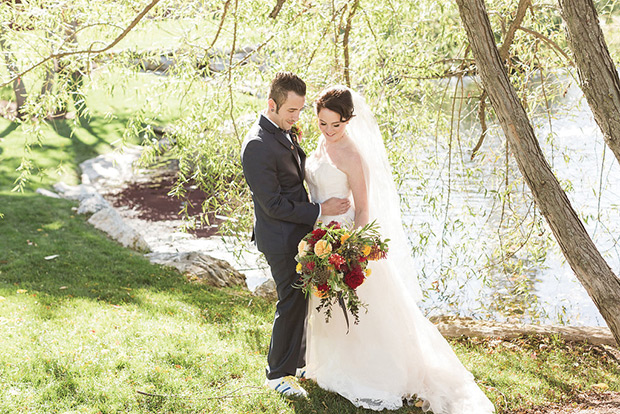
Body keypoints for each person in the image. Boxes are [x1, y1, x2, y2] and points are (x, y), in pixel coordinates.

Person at [303, 85, 496, 413]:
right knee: (328, 304)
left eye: (336, 125)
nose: (329, 131)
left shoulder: (352, 154)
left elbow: (363, 209)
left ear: (349, 120)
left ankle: (372, 371)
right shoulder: (321, 143)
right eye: (323, 123)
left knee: (360, 308)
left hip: (345, 239)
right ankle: (328, 366)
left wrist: (353, 250)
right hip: (320, 233)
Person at [240, 73, 350, 397]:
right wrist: (320, 209)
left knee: (301, 299)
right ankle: (276, 374)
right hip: (278, 236)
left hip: (297, 233)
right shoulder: (257, 146)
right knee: (290, 300)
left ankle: (298, 363)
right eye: (291, 110)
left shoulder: (283, 132)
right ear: (271, 104)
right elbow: (273, 204)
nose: (296, 117)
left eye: (300, 111)